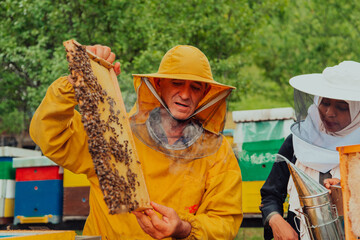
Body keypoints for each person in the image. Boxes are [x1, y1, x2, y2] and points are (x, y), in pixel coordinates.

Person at [30, 44, 243, 239]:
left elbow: (224, 222)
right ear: (159, 84)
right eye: (176, 83)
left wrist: (184, 228)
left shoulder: (218, 151)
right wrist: (76, 81)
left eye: (195, 87)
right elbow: (50, 136)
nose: (185, 94)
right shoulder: (114, 133)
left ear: (205, 93)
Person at [260, 61, 360, 240]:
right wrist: (275, 220)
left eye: (342, 107)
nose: (329, 112)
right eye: (325, 103)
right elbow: (270, 195)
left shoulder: (356, 153)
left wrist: (350, 190)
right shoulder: (297, 142)